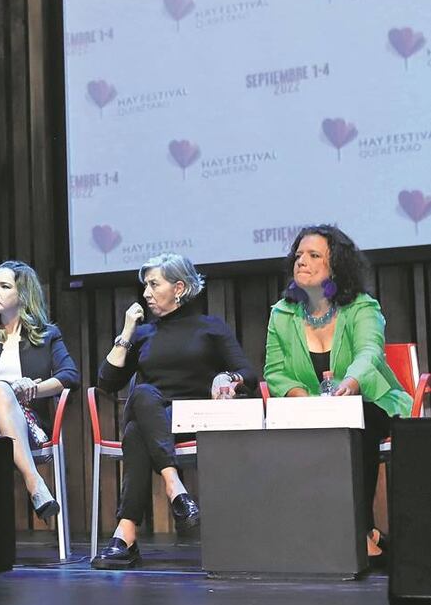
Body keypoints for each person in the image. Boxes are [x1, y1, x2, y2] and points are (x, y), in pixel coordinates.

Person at [92, 253, 258, 570]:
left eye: (154, 284)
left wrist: (227, 378)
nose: (146, 293)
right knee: (141, 399)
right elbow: (106, 382)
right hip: (155, 419)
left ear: (179, 287)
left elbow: (247, 374)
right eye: (145, 286)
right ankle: (175, 487)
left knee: (136, 429)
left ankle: (126, 534)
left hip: (192, 421)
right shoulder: (143, 335)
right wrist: (127, 331)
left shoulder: (210, 327)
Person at [264, 225, 411, 565]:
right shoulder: (282, 313)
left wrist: (351, 385)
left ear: (337, 266)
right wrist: (304, 401)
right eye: (299, 255)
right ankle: (316, 534)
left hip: (369, 402)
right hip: (307, 409)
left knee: (355, 420)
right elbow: (275, 372)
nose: (302, 261)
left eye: (314, 255)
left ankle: (359, 532)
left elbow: (369, 353)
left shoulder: (361, 306)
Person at [0, 260, 80, 520]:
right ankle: (34, 482)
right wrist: (1, 391)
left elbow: (69, 376)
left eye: (4, 286)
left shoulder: (47, 335)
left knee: (4, 391)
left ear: (23, 294)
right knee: (1, 390)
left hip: (28, 425)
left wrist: (33, 389)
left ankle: (33, 483)